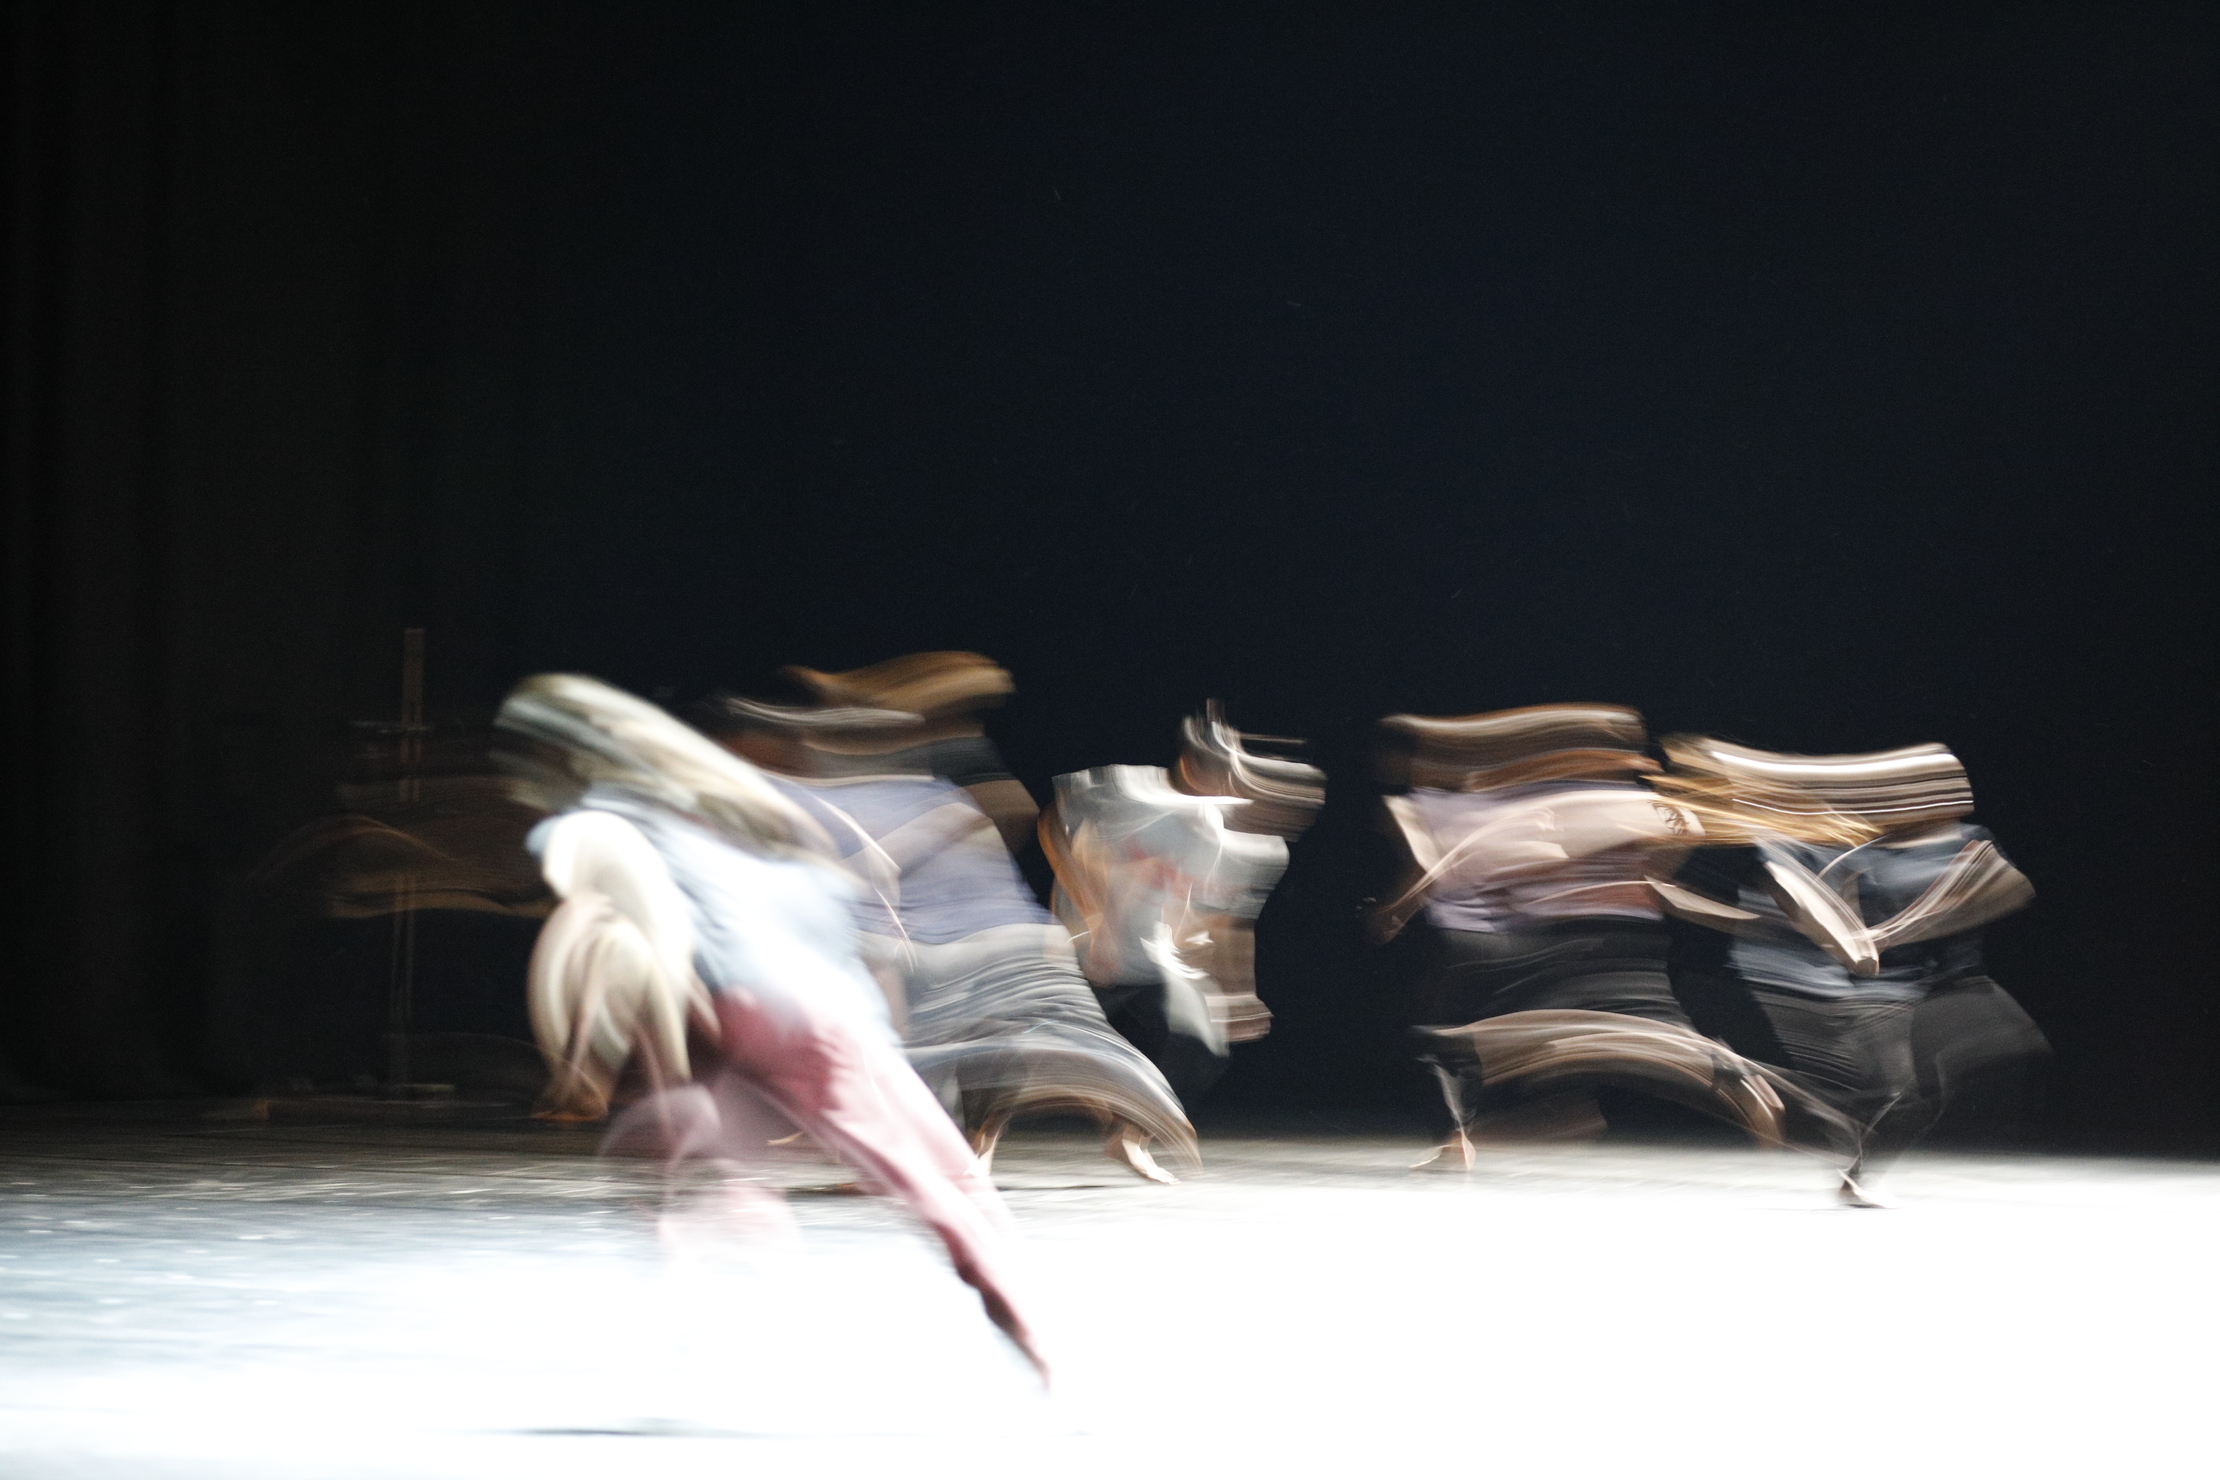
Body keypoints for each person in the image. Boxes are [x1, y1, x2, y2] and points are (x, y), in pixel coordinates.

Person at [497, 673, 1048, 1377]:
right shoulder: (756, 818)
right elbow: (829, 923)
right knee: (937, 1181)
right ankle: (1028, 1326)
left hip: (761, 1008)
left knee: (687, 1147)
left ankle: (726, 1251)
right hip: (801, 1011)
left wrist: (595, 1061)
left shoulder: (616, 823)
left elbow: (620, 931)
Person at [700, 689, 1198, 1184]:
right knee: (944, 1047)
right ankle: (905, 1148)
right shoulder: (864, 791)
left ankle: (1122, 1110)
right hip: (939, 937)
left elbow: (899, 853)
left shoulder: (891, 793)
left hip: (963, 938)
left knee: (994, 1045)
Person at [1370, 704, 1850, 1171]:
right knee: (1602, 1034)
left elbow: (1531, 860)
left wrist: (1527, 882)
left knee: (1545, 1038)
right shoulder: (1654, 808)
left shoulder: (1570, 803)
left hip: (1579, 937)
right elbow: (1656, 881)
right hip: (1626, 933)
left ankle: (1715, 1075)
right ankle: (1717, 1071)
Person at [1654, 736, 2045, 1204]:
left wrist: (1897, 930)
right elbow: (1827, 912)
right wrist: (1860, 943)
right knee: (1894, 1091)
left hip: (1955, 980)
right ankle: (1785, 1109)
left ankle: (1837, 1150)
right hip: (1885, 988)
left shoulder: (1971, 840)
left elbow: (2007, 889)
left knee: (1969, 1066)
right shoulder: (1864, 851)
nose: (1951, 795)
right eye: (1937, 785)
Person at [1040, 703, 1323, 1104]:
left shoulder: (1240, 843)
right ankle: (982, 1138)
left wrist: (1239, 992)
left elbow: (1229, 922)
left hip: (1152, 960)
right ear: (1190, 766)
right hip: (1086, 952)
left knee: (1200, 1048)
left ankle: (1131, 1135)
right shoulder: (1130, 791)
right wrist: (1092, 913)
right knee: (1041, 1056)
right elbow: (1053, 820)